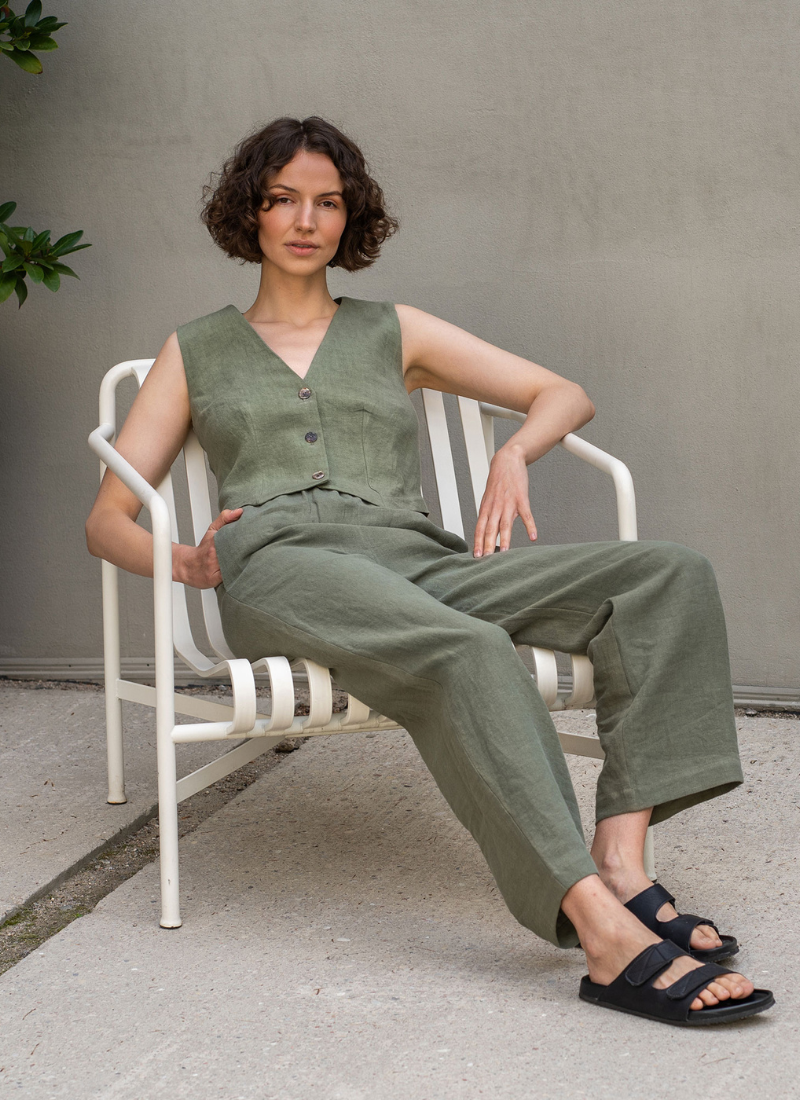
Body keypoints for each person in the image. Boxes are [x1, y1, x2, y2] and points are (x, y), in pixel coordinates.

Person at [85, 116, 773, 1027]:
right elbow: (106, 519)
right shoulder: (194, 349)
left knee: (667, 574)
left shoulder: (392, 330)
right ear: (248, 212)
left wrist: (517, 451)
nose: (305, 220)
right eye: (283, 198)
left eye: (327, 202)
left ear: (349, 218)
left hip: (415, 561)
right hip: (286, 567)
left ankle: (622, 864)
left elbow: (561, 392)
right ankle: (603, 934)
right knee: (470, 649)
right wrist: (188, 560)